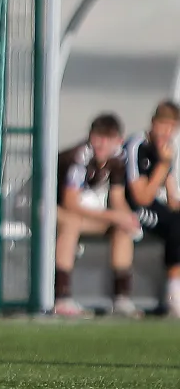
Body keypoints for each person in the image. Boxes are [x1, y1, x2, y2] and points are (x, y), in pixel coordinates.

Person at [54, 113, 139, 317]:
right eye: (97, 137)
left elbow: (117, 198)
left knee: (122, 228)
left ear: (118, 140)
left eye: (108, 139)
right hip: (46, 207)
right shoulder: (79, 157)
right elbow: (70, 202)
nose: (101, 144)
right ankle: (62, 297)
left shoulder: (118, 158)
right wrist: (113, 216)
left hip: (80, 210)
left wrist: (127, 218)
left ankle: (121, 299)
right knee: (72, 223)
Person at [123, 100, 180, 316]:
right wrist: (163, 165)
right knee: (175, 225)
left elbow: (171, 195)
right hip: (132, 206)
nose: (167, 132)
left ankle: (173, 290)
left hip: (153, 205)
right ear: (153, 123)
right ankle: (173, 295)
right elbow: (141, 196)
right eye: (164, 126)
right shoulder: (137, 146)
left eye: (172, 128)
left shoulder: (166, 150)